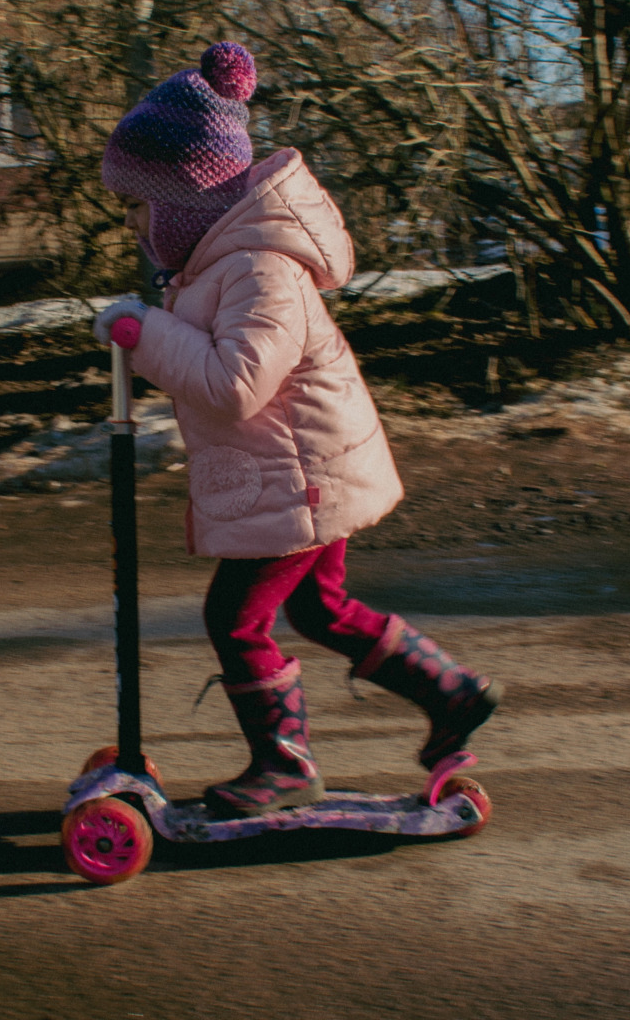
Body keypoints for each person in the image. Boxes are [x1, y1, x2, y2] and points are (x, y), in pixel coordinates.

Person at [91, 41, 501, 818]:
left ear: (184, 200)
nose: (137, 229)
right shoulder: (222, 265)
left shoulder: (260, 270)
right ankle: (453, 693)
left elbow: (236, 384)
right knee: (318, 610)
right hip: (299, 471)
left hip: (300, 477)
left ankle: (283, 766)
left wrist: (144, 335)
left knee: (235, 619)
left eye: (141, 209)